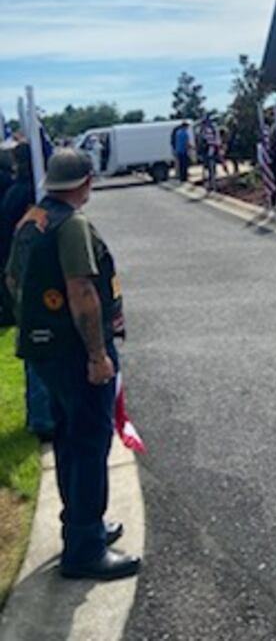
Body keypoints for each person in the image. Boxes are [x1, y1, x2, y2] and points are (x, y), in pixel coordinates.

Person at [5, 149, 140, 580]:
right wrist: (98, 356)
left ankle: (83, 525)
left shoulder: (32, 219)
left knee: (68, 441)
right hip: (76, 353)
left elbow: (11, 280)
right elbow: (82, 291)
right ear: (85, 181)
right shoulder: (73, 224)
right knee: (87, 445)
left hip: (43, 351)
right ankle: (84, 548)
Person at [1, 143, 55, 436]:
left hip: (14, 277)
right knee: (40, 343)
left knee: (35, 344)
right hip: (27, 279)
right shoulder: (28, 196)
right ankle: (43, 418)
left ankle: (40, 413)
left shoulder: (15, 191)